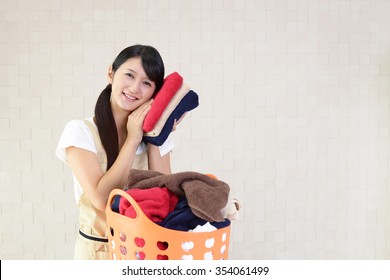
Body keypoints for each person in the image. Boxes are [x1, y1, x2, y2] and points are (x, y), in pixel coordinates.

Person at [56, 45, 180, 260]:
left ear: (155, 93)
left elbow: (164, 198)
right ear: (111, 74)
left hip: (144, 253)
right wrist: (132, 140)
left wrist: (155, 134)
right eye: (129, 75)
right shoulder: (80, 131)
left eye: (147, 83)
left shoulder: (157, 138)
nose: (134, 88)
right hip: (97, 255)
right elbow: (102, 200)